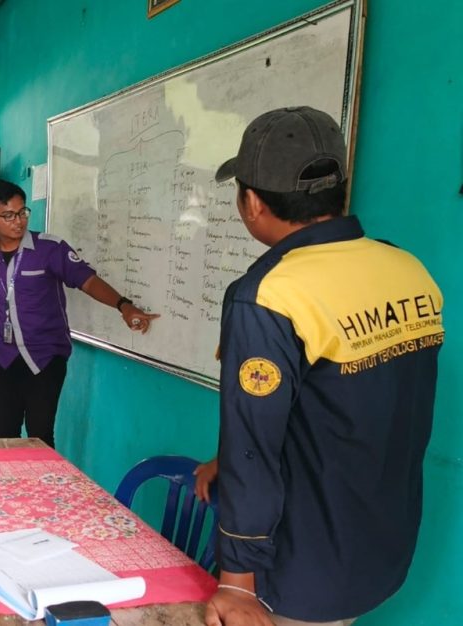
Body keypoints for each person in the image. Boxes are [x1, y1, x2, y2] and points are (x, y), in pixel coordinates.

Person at [205, 106, 444, 626]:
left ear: (252, 202)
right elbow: (352, 398)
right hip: (380, 550)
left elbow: (253, 445)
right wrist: (225, 460)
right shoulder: (408, 269)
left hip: (299, 567)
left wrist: (238, 583)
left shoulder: (268, 295)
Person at [0, 180, 157, 448]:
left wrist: (123, 305)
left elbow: (87, 280)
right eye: (9, 215)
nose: (19, 221)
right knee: (5, 435)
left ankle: (43, 478)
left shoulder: (50, 249)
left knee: (40, 434)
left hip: (45, 356)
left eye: (22, 212)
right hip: (4, 358)